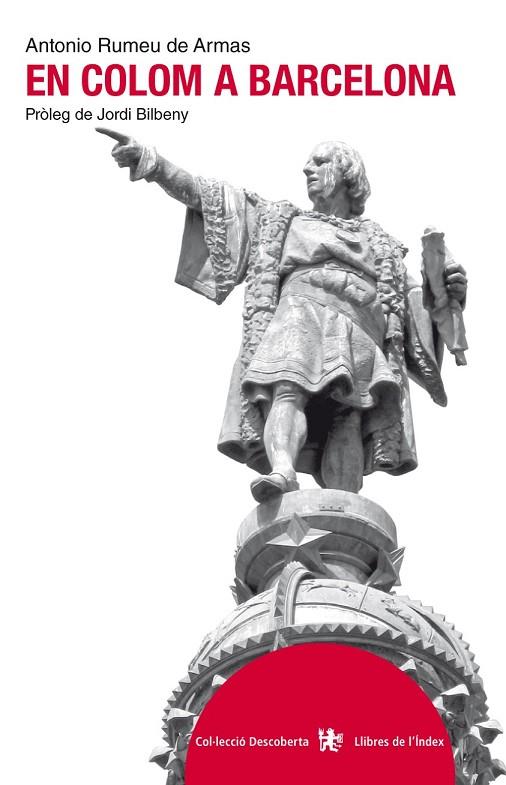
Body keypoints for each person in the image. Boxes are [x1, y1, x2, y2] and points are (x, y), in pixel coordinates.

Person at [97, 129, 467, 502]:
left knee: (351, 413)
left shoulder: (381, 244)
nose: (307, 169)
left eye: (319, 162)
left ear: (346, 172)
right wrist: (154, 163)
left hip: (361, 326)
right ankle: (282, 470)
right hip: (300, 312)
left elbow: (418, 307)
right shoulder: (283, 220)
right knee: (287, 389)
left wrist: (446, 291)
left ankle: (344, 501)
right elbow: (209, 198)